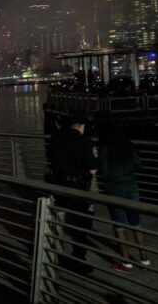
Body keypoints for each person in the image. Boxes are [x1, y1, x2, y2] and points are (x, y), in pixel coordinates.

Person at [46, 114, 98, 274]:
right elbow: (92, 169)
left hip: (59, 184)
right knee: (81, 223)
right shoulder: (85, 142)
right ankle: (78, 258)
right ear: (81, 126)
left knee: (58, 219)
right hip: (77, 187)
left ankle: (52, 253)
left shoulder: (56, 139)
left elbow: (50, 158)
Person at [98, 124, 149, 273]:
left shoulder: (105, 147)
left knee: (119, 226)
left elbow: (104, 171)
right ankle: (144, 258)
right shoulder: (129, 145)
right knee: (136, 223)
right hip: (131, 187)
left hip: (114, 189)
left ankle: (126, 263)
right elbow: (139, 164)